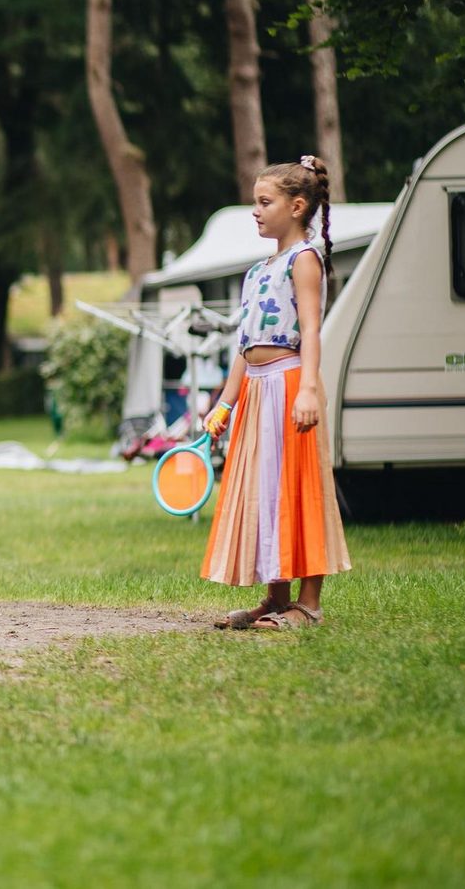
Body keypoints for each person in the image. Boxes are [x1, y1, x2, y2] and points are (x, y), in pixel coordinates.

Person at [201, 156, 350, 630]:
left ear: (298, 205)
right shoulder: (256, 270)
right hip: (257, 392)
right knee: (267, 491)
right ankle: (275, 596)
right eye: (255, 202)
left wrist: (308, 389)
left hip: (290, 385)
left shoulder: (303, 259)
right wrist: (226, 402)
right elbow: (244, 346)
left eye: (265, 202)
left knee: (300, 489)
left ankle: (308, 605)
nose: (256, 211)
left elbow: (310, 330)